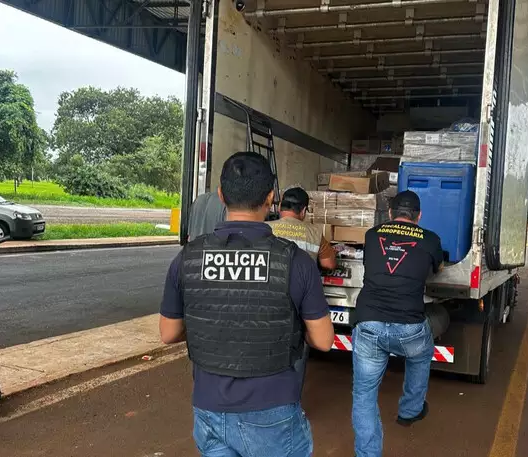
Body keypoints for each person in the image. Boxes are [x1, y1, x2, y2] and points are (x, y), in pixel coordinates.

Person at [159, 151, 335, 457]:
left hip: (209, 410)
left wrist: (211, 323)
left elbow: (168, 333)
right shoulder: (295, 261)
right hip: (273, 411)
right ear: (270, 198)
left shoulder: (187, 258)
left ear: (221, 195)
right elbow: (323, 340)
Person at [351, 190, 444, 457]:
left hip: (369, 323)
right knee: (422, 353)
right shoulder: (430, 239)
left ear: (390, 213)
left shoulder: (372, 235)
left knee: (364, 394)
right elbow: (437, 268)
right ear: (419, 216)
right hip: (409, 327)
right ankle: (410, 410)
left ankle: (368, 454)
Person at [267, 187, 337, 270]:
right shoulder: (315, 233)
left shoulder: (264, 227)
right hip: (302, 278)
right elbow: (329, 264)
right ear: (303, 211)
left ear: (279, 207)